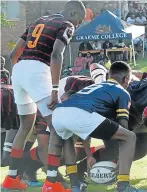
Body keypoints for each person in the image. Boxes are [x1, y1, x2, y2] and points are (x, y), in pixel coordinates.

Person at [2, 1, 86, 191]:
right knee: (57, 126)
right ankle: (52, 181)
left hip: (19, 70)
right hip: (38, 70)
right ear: (72, 12)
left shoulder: (39, 20)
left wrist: (19, 77)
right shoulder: (66, 24)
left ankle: (11, 178)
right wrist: (55, 88)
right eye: (79, 20)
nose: (78, 25)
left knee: (25, 127)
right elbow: (56, 55)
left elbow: (14, 53)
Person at [52, 62, 147, 192]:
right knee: (130, 137)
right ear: (125, 79)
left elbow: (82, 127)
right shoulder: (122, 92)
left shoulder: (96, 87)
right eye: (128, 80)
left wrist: (89, 155)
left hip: (58, 113)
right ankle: (123, 186)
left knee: (67, 139)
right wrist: (120, 156)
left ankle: (75, 185)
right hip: (80, 113)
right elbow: (123, 126)